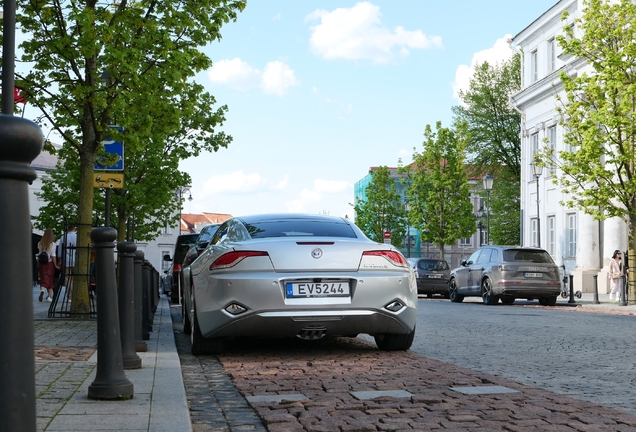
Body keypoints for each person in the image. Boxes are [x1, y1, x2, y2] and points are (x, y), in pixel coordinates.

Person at [37, 229, 58, 302]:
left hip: (42, 264)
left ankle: (42, 289)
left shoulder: (40, 243)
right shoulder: (53, 244)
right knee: (50, 279)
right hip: (49, 263)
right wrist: (56, 265)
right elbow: (53, 256)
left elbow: (39, 253)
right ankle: (49, 296)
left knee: (43, 278)